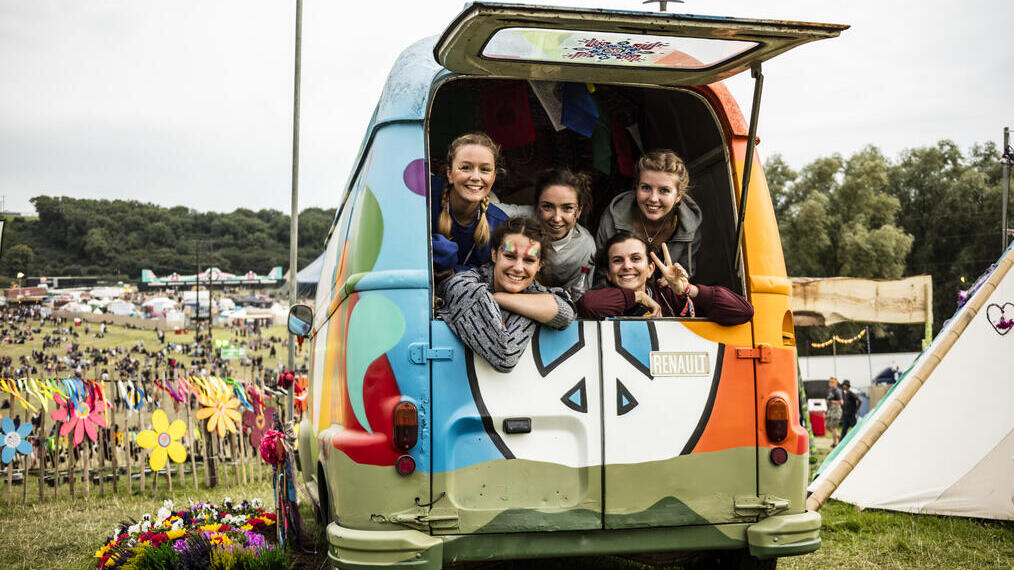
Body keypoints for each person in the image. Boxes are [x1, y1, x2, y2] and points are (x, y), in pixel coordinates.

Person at [437, 217, 576, 372]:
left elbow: (566, 313)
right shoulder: (464, 286)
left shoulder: (532, 290)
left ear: (539, 265)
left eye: (529, 260)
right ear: (494, 254)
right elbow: (505, 357)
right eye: (510, 256)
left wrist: (499, 299)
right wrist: (533, 312)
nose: (518, 268)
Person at [576, 233, 752, 325]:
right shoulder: (603, 299)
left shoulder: (669, 297)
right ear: (608, 273)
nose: (627, 266)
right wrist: (637, 296)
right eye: (617, 260)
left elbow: (743, 312)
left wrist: (689, 289)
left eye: (636, 259)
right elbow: (586, 305)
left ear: (651, 269)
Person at [595, 149, 702, 278]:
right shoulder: (612, 219)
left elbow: (686, 275)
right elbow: (600, 271)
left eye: (664, 190)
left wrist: (676, 283)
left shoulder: (689, 226)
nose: (653, 198)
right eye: (646, 188)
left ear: (678, 196)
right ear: (637, 187)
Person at [431, 132, 510, 275]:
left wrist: (455, 271)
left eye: (485, 170)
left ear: (493, 177)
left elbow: (498, 273)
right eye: (465, 167)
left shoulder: (500, 224)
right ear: (450, 174)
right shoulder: (423, 199)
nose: (475, 177)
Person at [825, 378, 843, 447]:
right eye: (830, 382)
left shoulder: (837, 391)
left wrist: (832, 402)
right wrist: (828, 401)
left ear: (836, 383)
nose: (830, 383)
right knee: (827, 426)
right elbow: (829, 399)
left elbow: (841, 402)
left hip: (836, 409)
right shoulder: (830, 391)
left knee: (833, 427)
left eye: (832, 382)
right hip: (830, 409)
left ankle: (835, 443)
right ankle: (839, 437)